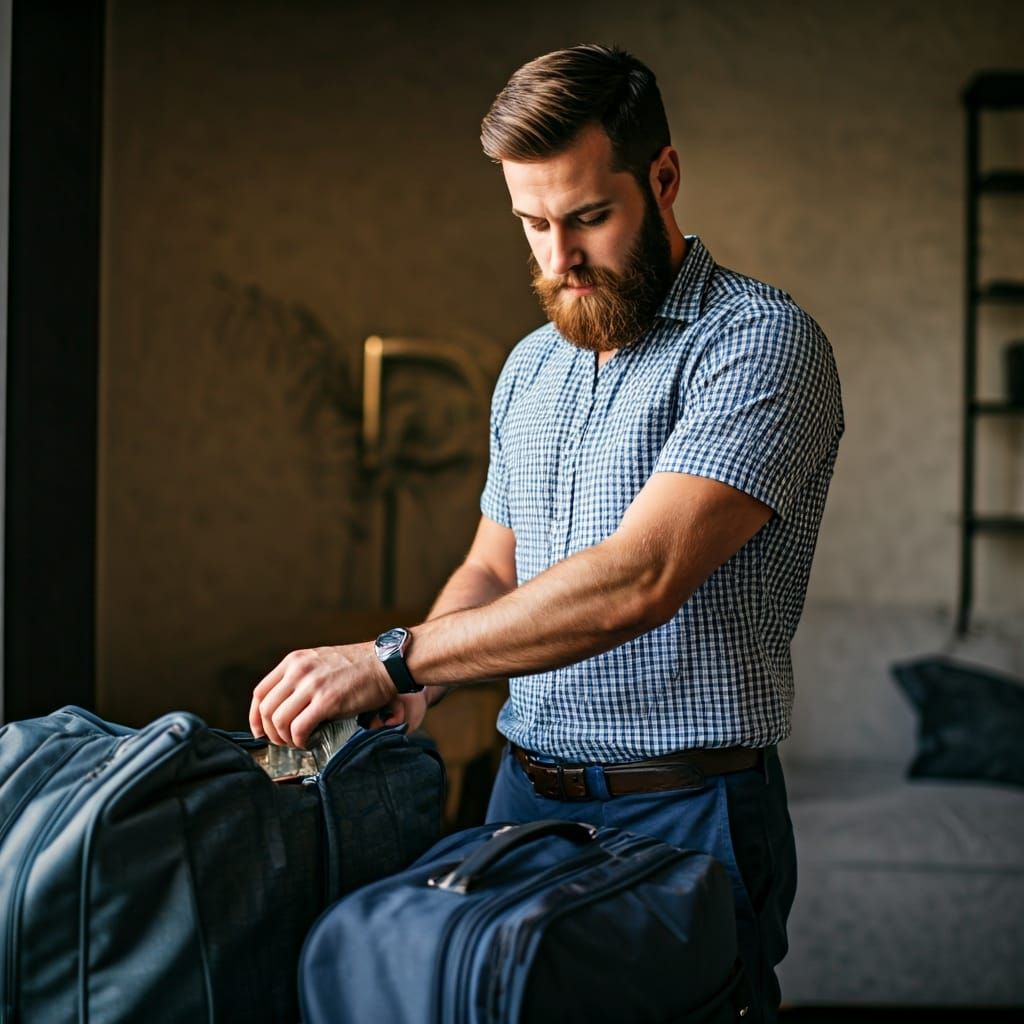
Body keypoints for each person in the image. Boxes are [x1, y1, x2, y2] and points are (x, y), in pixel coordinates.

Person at [250, 43, 843, 1023]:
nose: (557, 259)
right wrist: (421, 688)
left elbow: (639, 576)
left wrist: (393, 656)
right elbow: (492, 562)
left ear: (662, 177)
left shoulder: (759, 342)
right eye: (531, 223)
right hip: (520, 800)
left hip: (686, 812)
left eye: (586, 218)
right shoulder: (529, 368)